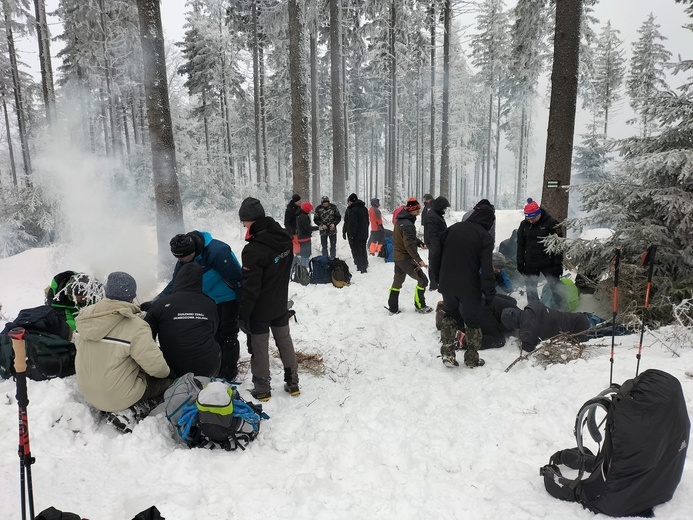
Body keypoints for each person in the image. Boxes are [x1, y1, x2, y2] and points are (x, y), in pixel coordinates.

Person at [75, 272, 173, 433]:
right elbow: (157, 368)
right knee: (167, 384)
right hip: (117, 397)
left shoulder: (85, 317)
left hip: (87, 392)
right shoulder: (136, 326)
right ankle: (133, 411)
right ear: (132, 296)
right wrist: (169, 373)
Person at [155, 230, 243, 381]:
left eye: (183, 257)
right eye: (178, 258)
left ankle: (229, 373)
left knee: (228, 334)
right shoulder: (184, 259)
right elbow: (176, 284)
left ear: (193, 251)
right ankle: (218, 368)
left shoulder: (217, 252)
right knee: (213, 334)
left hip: (229, 296)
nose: (181, 261)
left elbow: (239, 279)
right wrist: (156, 301)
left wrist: (243, 305)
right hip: (210, 298)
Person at [237, 197, 299, 402]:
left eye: (244, 221)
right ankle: (293, 381)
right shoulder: (284, 239)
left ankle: (262, 387)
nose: (243, 225)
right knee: (284, 340)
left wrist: (243, 314)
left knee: (259, 345)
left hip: (260, 309)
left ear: (251, 220)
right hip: (280, 302)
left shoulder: (253, 249)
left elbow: (250, 287)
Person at [431, 199, 496, 367]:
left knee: (450, 315)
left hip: (447, 283)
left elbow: (435, 255)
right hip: (469, 287)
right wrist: (489, 293)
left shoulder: (452, 229)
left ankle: (447, 353)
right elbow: (487, 269)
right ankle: (471, 358)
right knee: (473, 322)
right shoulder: (484, 237)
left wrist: (437, 278)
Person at [144, 263, 221, 378]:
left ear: (177, 279)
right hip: (208, 369)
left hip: (171, 369)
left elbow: (146, 338)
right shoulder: (210, 304)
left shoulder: (160, 304)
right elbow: (213, 332)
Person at [501, 301, 603, 353]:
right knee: (615, 326)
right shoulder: (534, 305)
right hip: (583, 317)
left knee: (615, 337)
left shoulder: (526, 333)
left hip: (582, 333)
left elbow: (527, 348)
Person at [516, 197, 564, 308]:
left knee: (556, 289)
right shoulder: (524, 225)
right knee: (531, 291)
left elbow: (559, 245)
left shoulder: (551, 223)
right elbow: (521, 244)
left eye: (533, 218)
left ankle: (561, 311)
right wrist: (520, 261)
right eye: (528, 218)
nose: (530, 221)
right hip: (530, 263)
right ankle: (534, 311)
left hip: (549, 264)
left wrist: (558, 263)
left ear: (539, 214)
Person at [387, 198, 431, 314]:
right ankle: (420, 305)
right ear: (411, 210)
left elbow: (408, 239)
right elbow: (409, 245)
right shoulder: (408, 225)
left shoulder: (400, 220)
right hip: (405, 258)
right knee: (423, 280)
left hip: (397, 257)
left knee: (397, 282)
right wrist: (419, 260)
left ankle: (393, 308)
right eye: (417, 210)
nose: (419, 212)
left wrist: (419, 243)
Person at [424, 196, 450, 291]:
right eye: (444, 207)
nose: (445, 209)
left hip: (438, 243)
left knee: (437, 263)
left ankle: (437, 282)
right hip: (435, 245)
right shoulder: (433, 216)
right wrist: (436, 248)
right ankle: (434, 284)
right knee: (434, 263)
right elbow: (431, 234)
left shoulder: (436, 214)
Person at [343, 193, 369, 273]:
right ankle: (365, 264)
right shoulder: (364, 209)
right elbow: (367, 221)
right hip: (364, 233)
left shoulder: (353, 210)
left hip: (357, 234)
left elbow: (353, 224)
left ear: (351, 201)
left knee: (357, 251)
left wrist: (352, 235)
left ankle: (360, 267)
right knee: (363, 250)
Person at [296, 201, 319, 267]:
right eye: (309, 210)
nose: (309, 211)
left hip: (302, 237)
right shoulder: (303, 217)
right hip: (305, 238)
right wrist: (318, 228)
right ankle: (304, 269)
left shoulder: (299, 215)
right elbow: (308, 228)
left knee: (304, 254)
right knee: (305, 255)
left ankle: (303, 268)